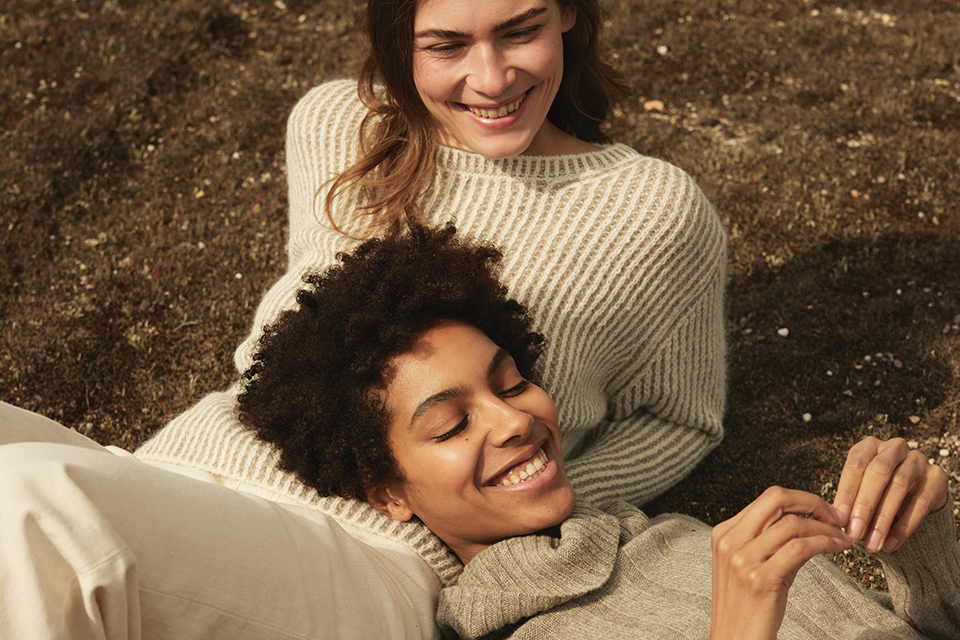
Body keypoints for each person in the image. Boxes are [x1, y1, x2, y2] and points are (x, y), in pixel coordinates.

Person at [135, 0, 727, 513]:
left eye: (521, 31)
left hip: (362, 552)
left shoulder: (650, 209)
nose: (491, 79)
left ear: (568, 12)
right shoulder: (337, 124)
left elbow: (680, 421)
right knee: (44, 493)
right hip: (190, 461)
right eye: (446, 46)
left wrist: (523, 506)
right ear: (400, 45)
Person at [236, 223, 959, 640]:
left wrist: (921, 541)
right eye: (453, 424)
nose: (516, 418)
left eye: (512, 381)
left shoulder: (676, 536)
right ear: (389, 489)